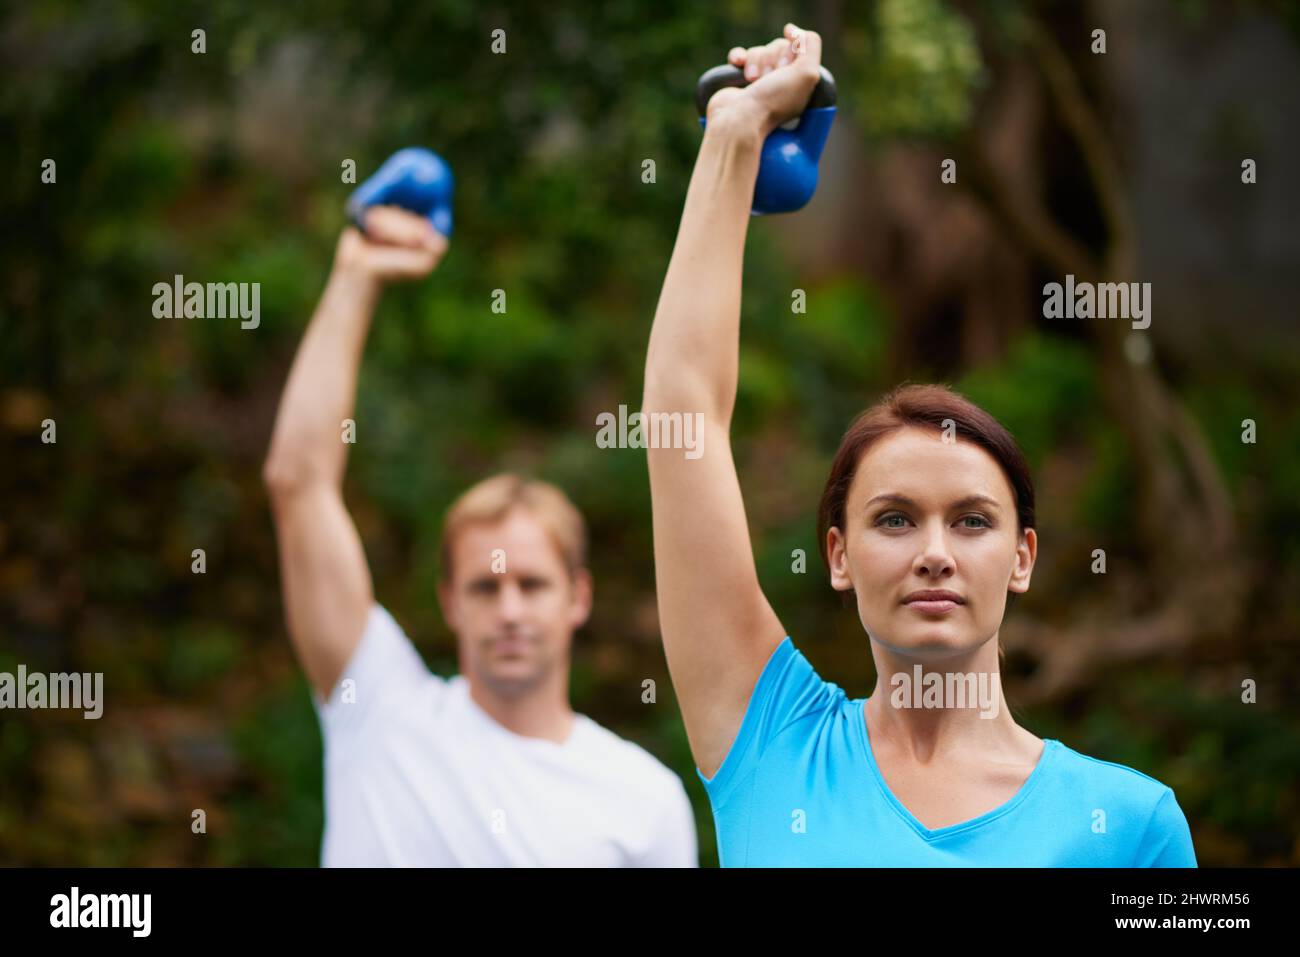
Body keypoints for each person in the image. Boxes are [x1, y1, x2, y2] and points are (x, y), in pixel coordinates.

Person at [640, 23, 1196, 867]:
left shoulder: (1128, 823)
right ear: (838, 553)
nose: (935, 552)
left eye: (972, 520)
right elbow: (682, 416)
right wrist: (734, 135)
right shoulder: (769, 743)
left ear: (1022, 555)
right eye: (895, 519)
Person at [262, 204, 696, 866]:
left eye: (532, 584)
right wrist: (355, 275)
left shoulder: (644, 799)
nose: (510, 610)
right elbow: (299, 483)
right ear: (450, 602)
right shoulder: (378, 708)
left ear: (579, 597)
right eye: (485, 587)